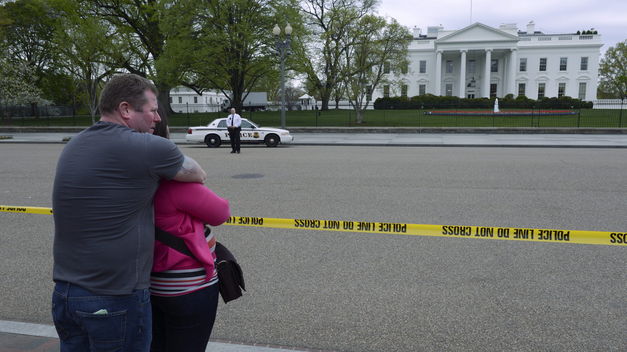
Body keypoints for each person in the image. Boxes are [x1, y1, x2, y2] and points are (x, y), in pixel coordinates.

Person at [51, 73, 207, 352]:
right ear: (125, 109)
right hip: (114, 298)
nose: (157, 118)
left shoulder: (75, 144)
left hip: (65, 294)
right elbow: (197, 174)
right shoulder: (147, 147)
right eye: (152, 110)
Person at [150, 113, 231, 351]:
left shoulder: (131, 181)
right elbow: (220, 213)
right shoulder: (174, 185)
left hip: (149, 282)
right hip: (188, 285)